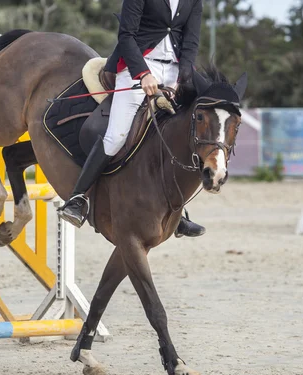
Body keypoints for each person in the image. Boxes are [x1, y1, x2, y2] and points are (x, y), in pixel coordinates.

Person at [58, 0, 206, 238]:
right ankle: (77, 199)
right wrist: (142, 73)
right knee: (117, 135)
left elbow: (191, 41)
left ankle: (177, 212)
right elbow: (126, 36)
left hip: (175, 72)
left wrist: (183, 77)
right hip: (138, 66)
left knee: (177, 136)